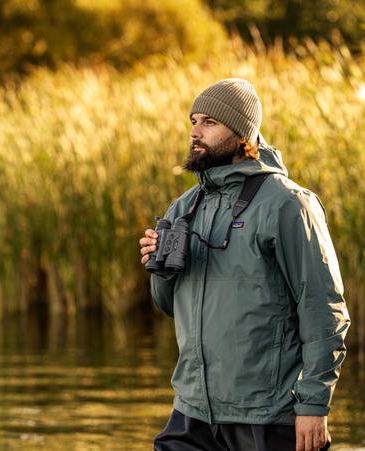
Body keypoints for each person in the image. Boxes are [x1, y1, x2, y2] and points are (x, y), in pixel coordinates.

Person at [139, 79, 350, 451]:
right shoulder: (184, 207)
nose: (195, 132)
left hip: (265, 416)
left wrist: (314, 405)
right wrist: (161, 269)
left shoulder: (288, 205)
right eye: (193, 121)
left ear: (241, 134)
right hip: (192, 411)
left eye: (209, 122)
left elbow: (323, 310)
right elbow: (170, 306)